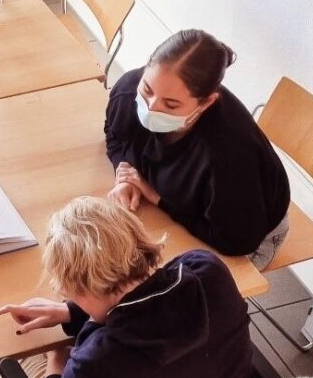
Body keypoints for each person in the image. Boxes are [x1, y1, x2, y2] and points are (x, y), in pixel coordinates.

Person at [0, 196, 251, 378]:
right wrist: (70, 312)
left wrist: (54, 356)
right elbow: (149, 300)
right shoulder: (207, 270)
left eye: (69, 291)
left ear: (82, 287)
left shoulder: (100, 361)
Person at [104, 29, 291, 269]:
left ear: (207, 102)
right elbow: (115, 134)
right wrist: (125, 173)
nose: (151, 107)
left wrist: (156, 197)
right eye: (147, 90)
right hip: (182, 201)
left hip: (242, 232)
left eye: (171, 104)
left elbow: (236, 242)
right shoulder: (129, 90)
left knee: (160, 291)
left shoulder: (228, 155)